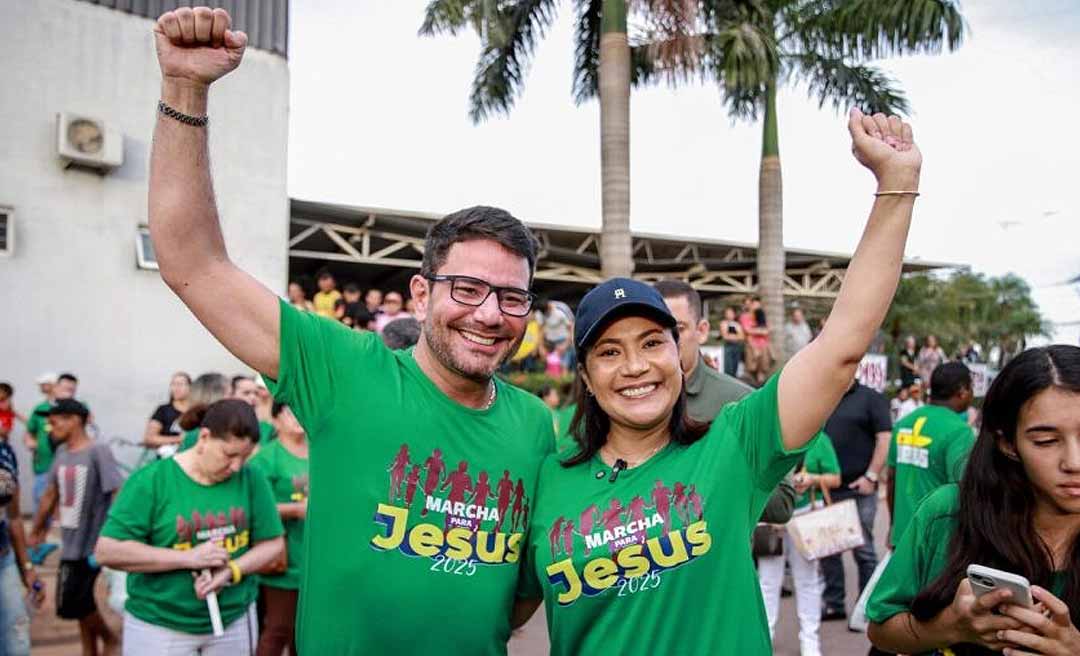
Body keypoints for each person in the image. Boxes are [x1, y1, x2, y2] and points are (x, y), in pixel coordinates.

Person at [146, 10, 555, 652]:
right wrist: (184, 91)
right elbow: (191, 261)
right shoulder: (342, 367)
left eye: (511, 297)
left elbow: (524, 587)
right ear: (421, 294)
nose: (488, 314)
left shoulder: (535, 424)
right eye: (468, 289)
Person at [515, 106, 924, 654]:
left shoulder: (733, 444)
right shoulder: (548, 478)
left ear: (682, 352)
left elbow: (841, 345)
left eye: (652, 342)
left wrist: (896, 188)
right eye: (610, 352)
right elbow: (493, 612)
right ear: (586, 376)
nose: (635, 366)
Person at [867, 345, 1080, 656]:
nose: (1074, 462)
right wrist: (949, 626)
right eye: (1045, 441)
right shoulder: (947, 513)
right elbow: (881, 630)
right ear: (1008, 442)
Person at [95, 400, 285, 654]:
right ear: (204, 438)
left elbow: (273, 543)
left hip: (233, 619)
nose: (236, 466)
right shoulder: (152, 481)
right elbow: (108, 551)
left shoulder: (251, 479)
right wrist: (187, 558)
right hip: (160, 624)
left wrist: (232, 570)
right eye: (229, 455)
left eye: (244, 457)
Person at [655, 279, 796, 524]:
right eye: (655, 334)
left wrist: (708, 476)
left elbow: (782, 502)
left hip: (718, 558)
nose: (668, 342)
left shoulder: (740, 401)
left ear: (701, 331)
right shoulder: (625, 401)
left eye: (677, 329)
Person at [29, 399, 122, 656]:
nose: (51, 427)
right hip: (70, 543)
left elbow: (117, 491)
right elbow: (50, 493)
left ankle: (110, 638)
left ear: (75, 420)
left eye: (56, 420)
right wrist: (37, 529)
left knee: (75, 602)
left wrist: (114, 536)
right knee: (79, 606)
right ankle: (89, 650)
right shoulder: (61, 453)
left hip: (92, 544)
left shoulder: (98, 451)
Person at [758, 432, 842, 656]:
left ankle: (810, 640)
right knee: (767, 581)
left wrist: (811, 479)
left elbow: (835, 478)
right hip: (770, 517)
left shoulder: (819, 438)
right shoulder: (766, 434)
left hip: (806, 516)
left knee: (807, 579)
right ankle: (765, 638)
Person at [819, 373, 892, 621]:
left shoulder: (871, 398)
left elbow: (885, 439)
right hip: (828, 490)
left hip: (859, 489)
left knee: (863, 550)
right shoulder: (823, 397)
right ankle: (834, 603)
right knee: (828, 550)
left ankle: (866, 607)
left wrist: (871, 477)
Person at [884, 362, 974, 547]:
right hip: (935, 542)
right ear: (963, 391)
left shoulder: (903, 425)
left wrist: (893, 525)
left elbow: (891, 480)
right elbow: (962, 491)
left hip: (902, 536)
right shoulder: (959, 431)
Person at [247, 402, 308, 656]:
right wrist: (295, 510)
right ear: (275, 420)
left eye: (299, 410)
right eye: (289, 412)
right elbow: (254, 508)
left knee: (305, 632)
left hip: (316, 556)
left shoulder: (320, 451)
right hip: (284, 556)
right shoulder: (265, 458)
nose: (296, 417)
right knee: (279, 628)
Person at [1, 427, 44, 656]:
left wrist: (27, 568)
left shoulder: (5, 453)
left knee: (17, 641)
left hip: (4, 559)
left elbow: (14, 516)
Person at [143, 371, 192, 450]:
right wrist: (179, 439)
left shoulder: (196, 411)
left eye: (180, 384)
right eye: (173, 384)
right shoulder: (163, 410)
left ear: (190, 387)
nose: (176, 388)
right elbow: (149, 438)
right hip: (167, 457)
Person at [719, 306, 746, 377]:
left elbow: (742, 337)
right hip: (728, 347)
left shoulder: (737, 324)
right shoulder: (724, 323)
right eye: (727, 313)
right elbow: (725, 336)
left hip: (737, 347)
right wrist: (737, 336)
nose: (729, 315)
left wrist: (731, 336)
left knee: (735, 367)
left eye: (731, 313)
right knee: (728, 367)